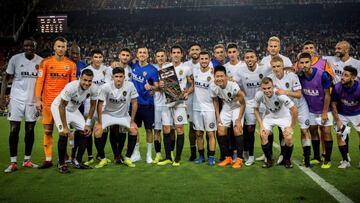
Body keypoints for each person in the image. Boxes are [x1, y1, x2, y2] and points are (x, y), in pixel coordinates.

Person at [1, 38, 43, 172]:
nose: (29, 48)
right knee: (14, 130)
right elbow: (6, 78)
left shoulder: (41, 61)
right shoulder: (15, 59)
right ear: (23, 46)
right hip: (16, 99)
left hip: (32, 101)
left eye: (31, 46)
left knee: (30, 130)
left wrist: (41, 99)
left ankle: (27, 160)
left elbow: (43, 81)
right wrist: (2, 97)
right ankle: (13, 162)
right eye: (26, 46)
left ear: (36, 47)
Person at [35, 36, 77, 169]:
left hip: (62, 105)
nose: (60, 49)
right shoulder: (45, 62)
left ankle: (63, 157)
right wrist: (37, 100)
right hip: (47, 103)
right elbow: (40, 81)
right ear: (54, 47)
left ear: (66, 48)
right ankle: (48, 159)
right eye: (58, 46)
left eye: (63, 46)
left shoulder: (71, 64)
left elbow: (73, 85)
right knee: (48, 131)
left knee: (64, 132)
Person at [51, 69, 97, 173]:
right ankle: (61, 163)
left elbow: (93, 105)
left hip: (73, 110)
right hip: (59, 108)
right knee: (63, 133)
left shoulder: (93, 88)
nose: (87, 83)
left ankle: (77, 160)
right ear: (80, 78)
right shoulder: (71, 87)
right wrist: (65, 126)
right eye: (85, 80)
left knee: (86, 132)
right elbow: (62, 106)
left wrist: (88, 124)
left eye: (90, 81)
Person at [268, 56, 312, 167]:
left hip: (300, 106)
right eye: (274, 66)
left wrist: (285, 92)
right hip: (286, 109)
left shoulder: (292, 76)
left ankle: (307, 158)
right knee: (285, 133)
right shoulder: (270, 78)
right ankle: (284, 157)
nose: (276, 68)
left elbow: (298, 94)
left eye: (278, 66)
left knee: (304, 131)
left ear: (283, 66)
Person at [257, 36, 293, 162]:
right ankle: (268, 154)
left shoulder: (286, 60)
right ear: (268, 47)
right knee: (268, 128)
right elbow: (262, 78)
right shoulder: (264, 60)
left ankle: (283, 154)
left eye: (275, 46)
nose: (273, 48)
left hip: (281, 98)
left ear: (279, 47)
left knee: (281, 128)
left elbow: (288, 77)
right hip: (267, 97)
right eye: (271, 46)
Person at [95, 67, 139, 167]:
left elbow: (135, 103)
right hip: (108, 114)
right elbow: (100, 104)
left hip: (123, 115)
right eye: (116, 76)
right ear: (112, 77)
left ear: (124, 77)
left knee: (134, 130)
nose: (119, 79)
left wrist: (132, 121)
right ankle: (103, 159)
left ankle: (127, 158)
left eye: (121, 76)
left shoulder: (130, 85)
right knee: (98, 132)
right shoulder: (106, 87)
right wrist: (99, 122)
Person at [157, 45, 193, 166]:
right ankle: (168, 157)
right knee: (166, 129)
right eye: (174, 52)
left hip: (179, 103)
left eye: (178, 52)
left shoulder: (186, 68)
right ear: (171, 54)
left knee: (179, 129)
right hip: (166, 102)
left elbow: (192, 84)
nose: (176, 54)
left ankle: (177, 159)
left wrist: (187, 92)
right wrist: (160, 84)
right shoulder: (165, 67)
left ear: (182, 54)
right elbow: (160, 84)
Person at [297, 52, 333, 169]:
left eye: (306, 62)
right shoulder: (300, 76)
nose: (304, 65)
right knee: (313, 132)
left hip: (324, 109)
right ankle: (316, 157)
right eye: (301, 63)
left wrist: (324, 112)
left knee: (326, 131)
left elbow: (327, 94)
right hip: (310, 110)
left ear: (311, 62)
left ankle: (327, 159)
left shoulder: (322, 75)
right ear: (299, 64)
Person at [254, 77, 298, 168]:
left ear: (273, 86)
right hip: (270, 116)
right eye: (264, 88)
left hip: (284, 117)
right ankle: (268, 160)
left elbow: (294, 110)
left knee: (288, 137)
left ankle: (287, 160)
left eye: (269, 88)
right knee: (263, 134)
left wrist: (291, 127)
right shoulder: (259, 95)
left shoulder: (279, 94)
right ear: (261, 88)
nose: (267, 91)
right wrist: (261, 125)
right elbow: (255, 109)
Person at [210, 65, 246, 168]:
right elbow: (215, 101)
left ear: (226, 76)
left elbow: (243, 103)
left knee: (237, 129)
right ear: (214, 77)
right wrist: (218, 117)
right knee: (221, 129)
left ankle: (239, 159)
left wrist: (239, 119)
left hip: (237, 107)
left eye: (222, 76)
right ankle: (228, 158)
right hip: (226, 107)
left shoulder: (233, 86)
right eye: (217, 76)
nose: (219, 78)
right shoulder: (213, 86)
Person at [82, 48, 111, 168]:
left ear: (103, 58)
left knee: (103, 130)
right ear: (91, 58)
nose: (98, 59)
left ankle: (100, 154)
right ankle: (89, 156)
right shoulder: (86, 70)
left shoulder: (107, 70)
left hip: (103, 103)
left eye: (100, 57)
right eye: (96, 57)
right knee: (88, 130)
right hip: (89, 103)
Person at [237, 49, 266, 166]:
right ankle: (251, 156)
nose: (249, 59)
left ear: (256, 58)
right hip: (249, 101)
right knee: (250, 129)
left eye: (251, 57)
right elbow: (236, 85)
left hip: (263, 102)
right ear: (244, 60)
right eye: (247, 57)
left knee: (266, 128)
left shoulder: (263, 69)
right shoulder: (241, 71)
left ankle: (266, 155)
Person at [131, 46, 159, 163]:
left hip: (148, 104)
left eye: (144, 53)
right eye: (140, 52)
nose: (142, 54)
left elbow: (157, 86)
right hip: (135, 104)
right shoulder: (133, 67)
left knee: (149, 130)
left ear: (147, 55)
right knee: (135, 129)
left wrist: (151, 87)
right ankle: (136, 153)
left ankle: (148, 155)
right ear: (137, 55)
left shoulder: (153, 70)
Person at [331, 66, 360, 169]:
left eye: (346, 75)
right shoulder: (337, 87)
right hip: (342, 113)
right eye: (342, 74)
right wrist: (338, 120)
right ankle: (345, 160)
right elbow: (333, 104)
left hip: (357, 113)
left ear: (353, 77)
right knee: (339, 134)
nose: (342, 77)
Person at [193, 51, 217, 165]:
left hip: (209, 108)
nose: (203, 61)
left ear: (209, 60)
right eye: (201, 59)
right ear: (199, 60)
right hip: (196, 108)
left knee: (210, 133)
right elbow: (193, 86)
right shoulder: (195, 72)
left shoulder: (213, 74)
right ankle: (201, 156)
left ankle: (211, 156)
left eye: (206, 59)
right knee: (198, 133)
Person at [183, 43, 201, 161]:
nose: (195, 51)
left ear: (201, 51)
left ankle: (208, 152)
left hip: (204, 100)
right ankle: (193, 152)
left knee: (207, 129)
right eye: (192, 49)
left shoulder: (206, 63)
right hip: (190, 100)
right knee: (192, 127)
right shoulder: (185, 65)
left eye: (197, 49)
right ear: (189, 52)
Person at [152, 48, 168, 163]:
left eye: (162, 56)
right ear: (155, 58)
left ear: (166, 57)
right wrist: (153, 88)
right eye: (158, 56)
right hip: (157, 104)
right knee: (157, 130)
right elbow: (148, 85)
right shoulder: (152, 70)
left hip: (169, 104)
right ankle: (158, 154)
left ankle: (170, 152)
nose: (160, 58)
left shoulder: (171, 69)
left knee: (170, 129)